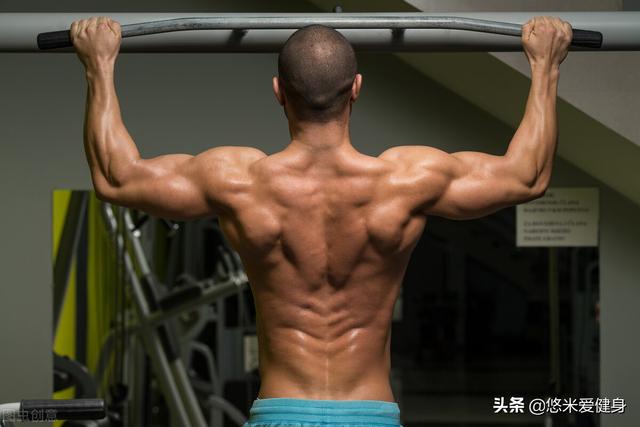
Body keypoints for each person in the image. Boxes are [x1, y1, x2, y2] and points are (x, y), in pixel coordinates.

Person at [70, 16, 572, 427]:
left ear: (278, 91)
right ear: (356, 89)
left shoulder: (239, 182)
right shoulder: (405, 181)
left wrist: (100, 65)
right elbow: (526, 176)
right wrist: (545, 66)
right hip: (371, 413)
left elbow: (117, 177)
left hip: (280, 412)